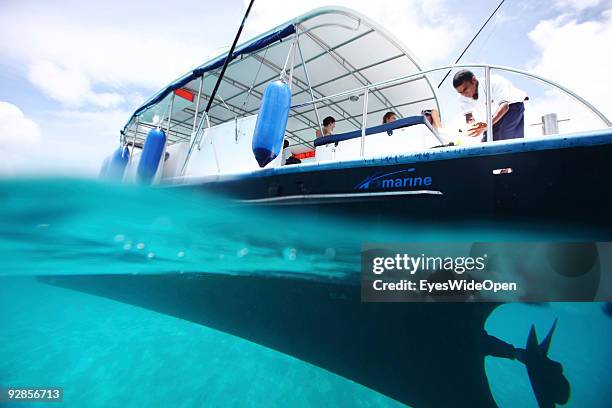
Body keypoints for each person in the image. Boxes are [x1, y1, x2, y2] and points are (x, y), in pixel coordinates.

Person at [453, 69, 527, 141]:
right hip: (491, 116)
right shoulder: (462, 97)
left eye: (466, 89)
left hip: (512, 106)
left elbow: (505, 106)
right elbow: (469, 117)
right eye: (460, 92)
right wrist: (474, 126)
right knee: (486, 141)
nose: (464, 94)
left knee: (505, 134)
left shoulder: (494, 81)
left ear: (474, 80)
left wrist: (486, 124)